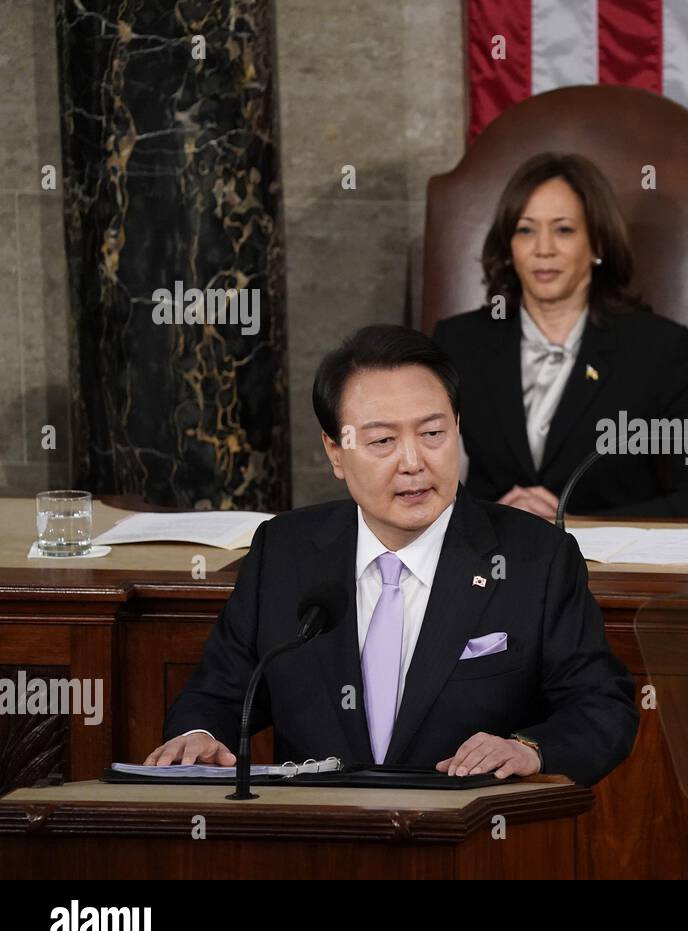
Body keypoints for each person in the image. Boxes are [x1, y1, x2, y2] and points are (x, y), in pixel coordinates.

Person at [147, 326, 639, 786]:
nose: (413, 462)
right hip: (320, 845)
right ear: (335, 452)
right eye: (383, 440)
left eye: (433, 434)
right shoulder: (285, 551)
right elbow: (217, 693)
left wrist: (530, 748)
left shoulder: (536, 558)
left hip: (471, 843)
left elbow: (602, 708)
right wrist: (199, 737)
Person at [433, 152, 688, 520]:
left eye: (563, 229)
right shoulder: (459, 341)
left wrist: (578, 524)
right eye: (525, 229)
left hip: (608, 570)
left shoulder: (654, 349)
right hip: (493, 565)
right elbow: (415, 479)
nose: (543, 249)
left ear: (596, 244)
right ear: (509, 245)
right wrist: (487, 519)